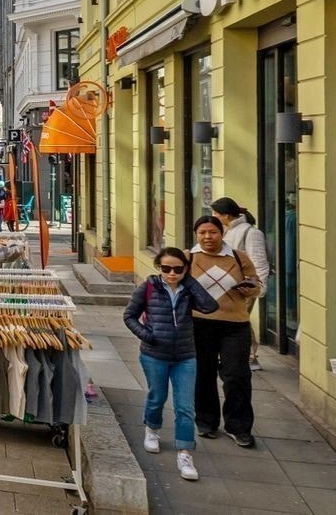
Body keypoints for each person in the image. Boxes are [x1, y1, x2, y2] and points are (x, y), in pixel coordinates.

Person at [124, 246, 219, 481]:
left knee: (185, 406)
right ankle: (152, 429)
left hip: (186, 356)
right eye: (166, 268)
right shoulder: (148, 287)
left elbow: (209, 306)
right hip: (154, 354)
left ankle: (185, 453)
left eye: (178, 269)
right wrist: (147, 335)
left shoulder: (189, 290)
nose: (172, 273)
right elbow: (129, 316)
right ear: (159, 268)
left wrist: (190, 280)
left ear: (185, 270)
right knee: (157, 396)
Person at [189, 215, 260, 447]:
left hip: (235, 324)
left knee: (236, 375)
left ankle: (239, 426)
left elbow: (256, 286)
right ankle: (206, 421)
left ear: (222, 234)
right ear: (197, 235)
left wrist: (250, 288)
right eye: (203, 233)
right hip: (200, 323)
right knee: (203, 373)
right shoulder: (189, 258)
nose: (208, 237)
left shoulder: (239, 258)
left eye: (213, 232)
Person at [211, 197, 271, 373]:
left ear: (226, 215)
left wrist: (258, 287)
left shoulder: (251, 233)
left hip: (244, 287)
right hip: (227, 287)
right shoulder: (228, 231)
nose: (214, 216)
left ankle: (250, 356)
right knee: (238, 319)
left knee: (240, 320)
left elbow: (259, 262)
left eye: (216, 213)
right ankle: (245, 355)